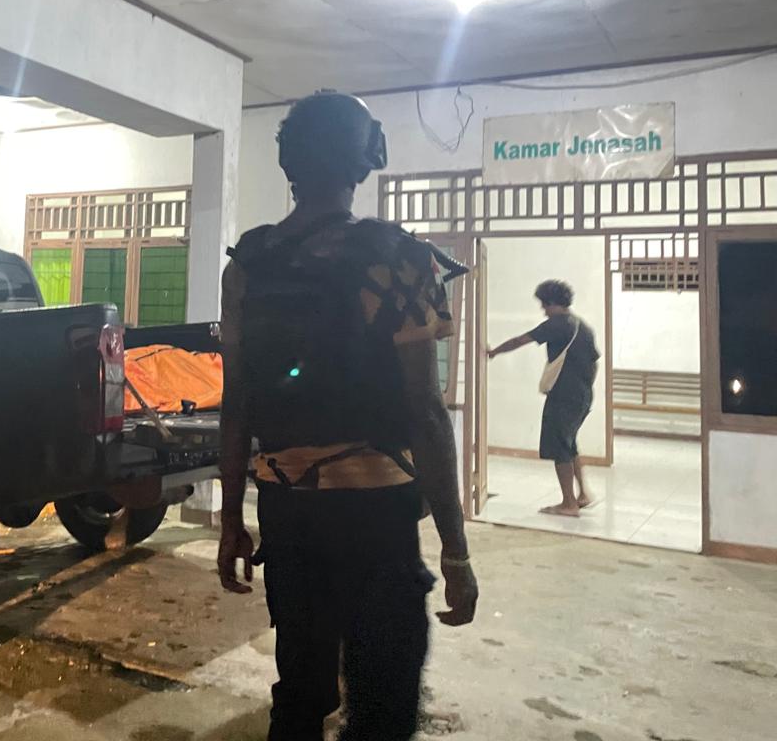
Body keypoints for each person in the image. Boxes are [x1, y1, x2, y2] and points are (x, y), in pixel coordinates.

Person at [216, 90, 478, 741]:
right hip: (376, 517)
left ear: (289, 164)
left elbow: (238, 403)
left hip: (286, 512)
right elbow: (425, 411)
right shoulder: (399, 258)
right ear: (365, 160)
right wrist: (455, 551)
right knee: (382, 707)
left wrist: (231, 521)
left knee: (299, 694)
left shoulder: (249, 263)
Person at [488, 280, 600, 517]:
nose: (543, 310)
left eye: (544, 304)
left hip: (563, 395)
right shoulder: (582, 326)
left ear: (551, 302)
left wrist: (494, 351)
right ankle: (583, 493)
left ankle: (568, 503)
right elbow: (594, 362)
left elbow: (520, 340)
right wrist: (582, 386)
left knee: (560, 447)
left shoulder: (557, 324)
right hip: (583, 394)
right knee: (569, 443)